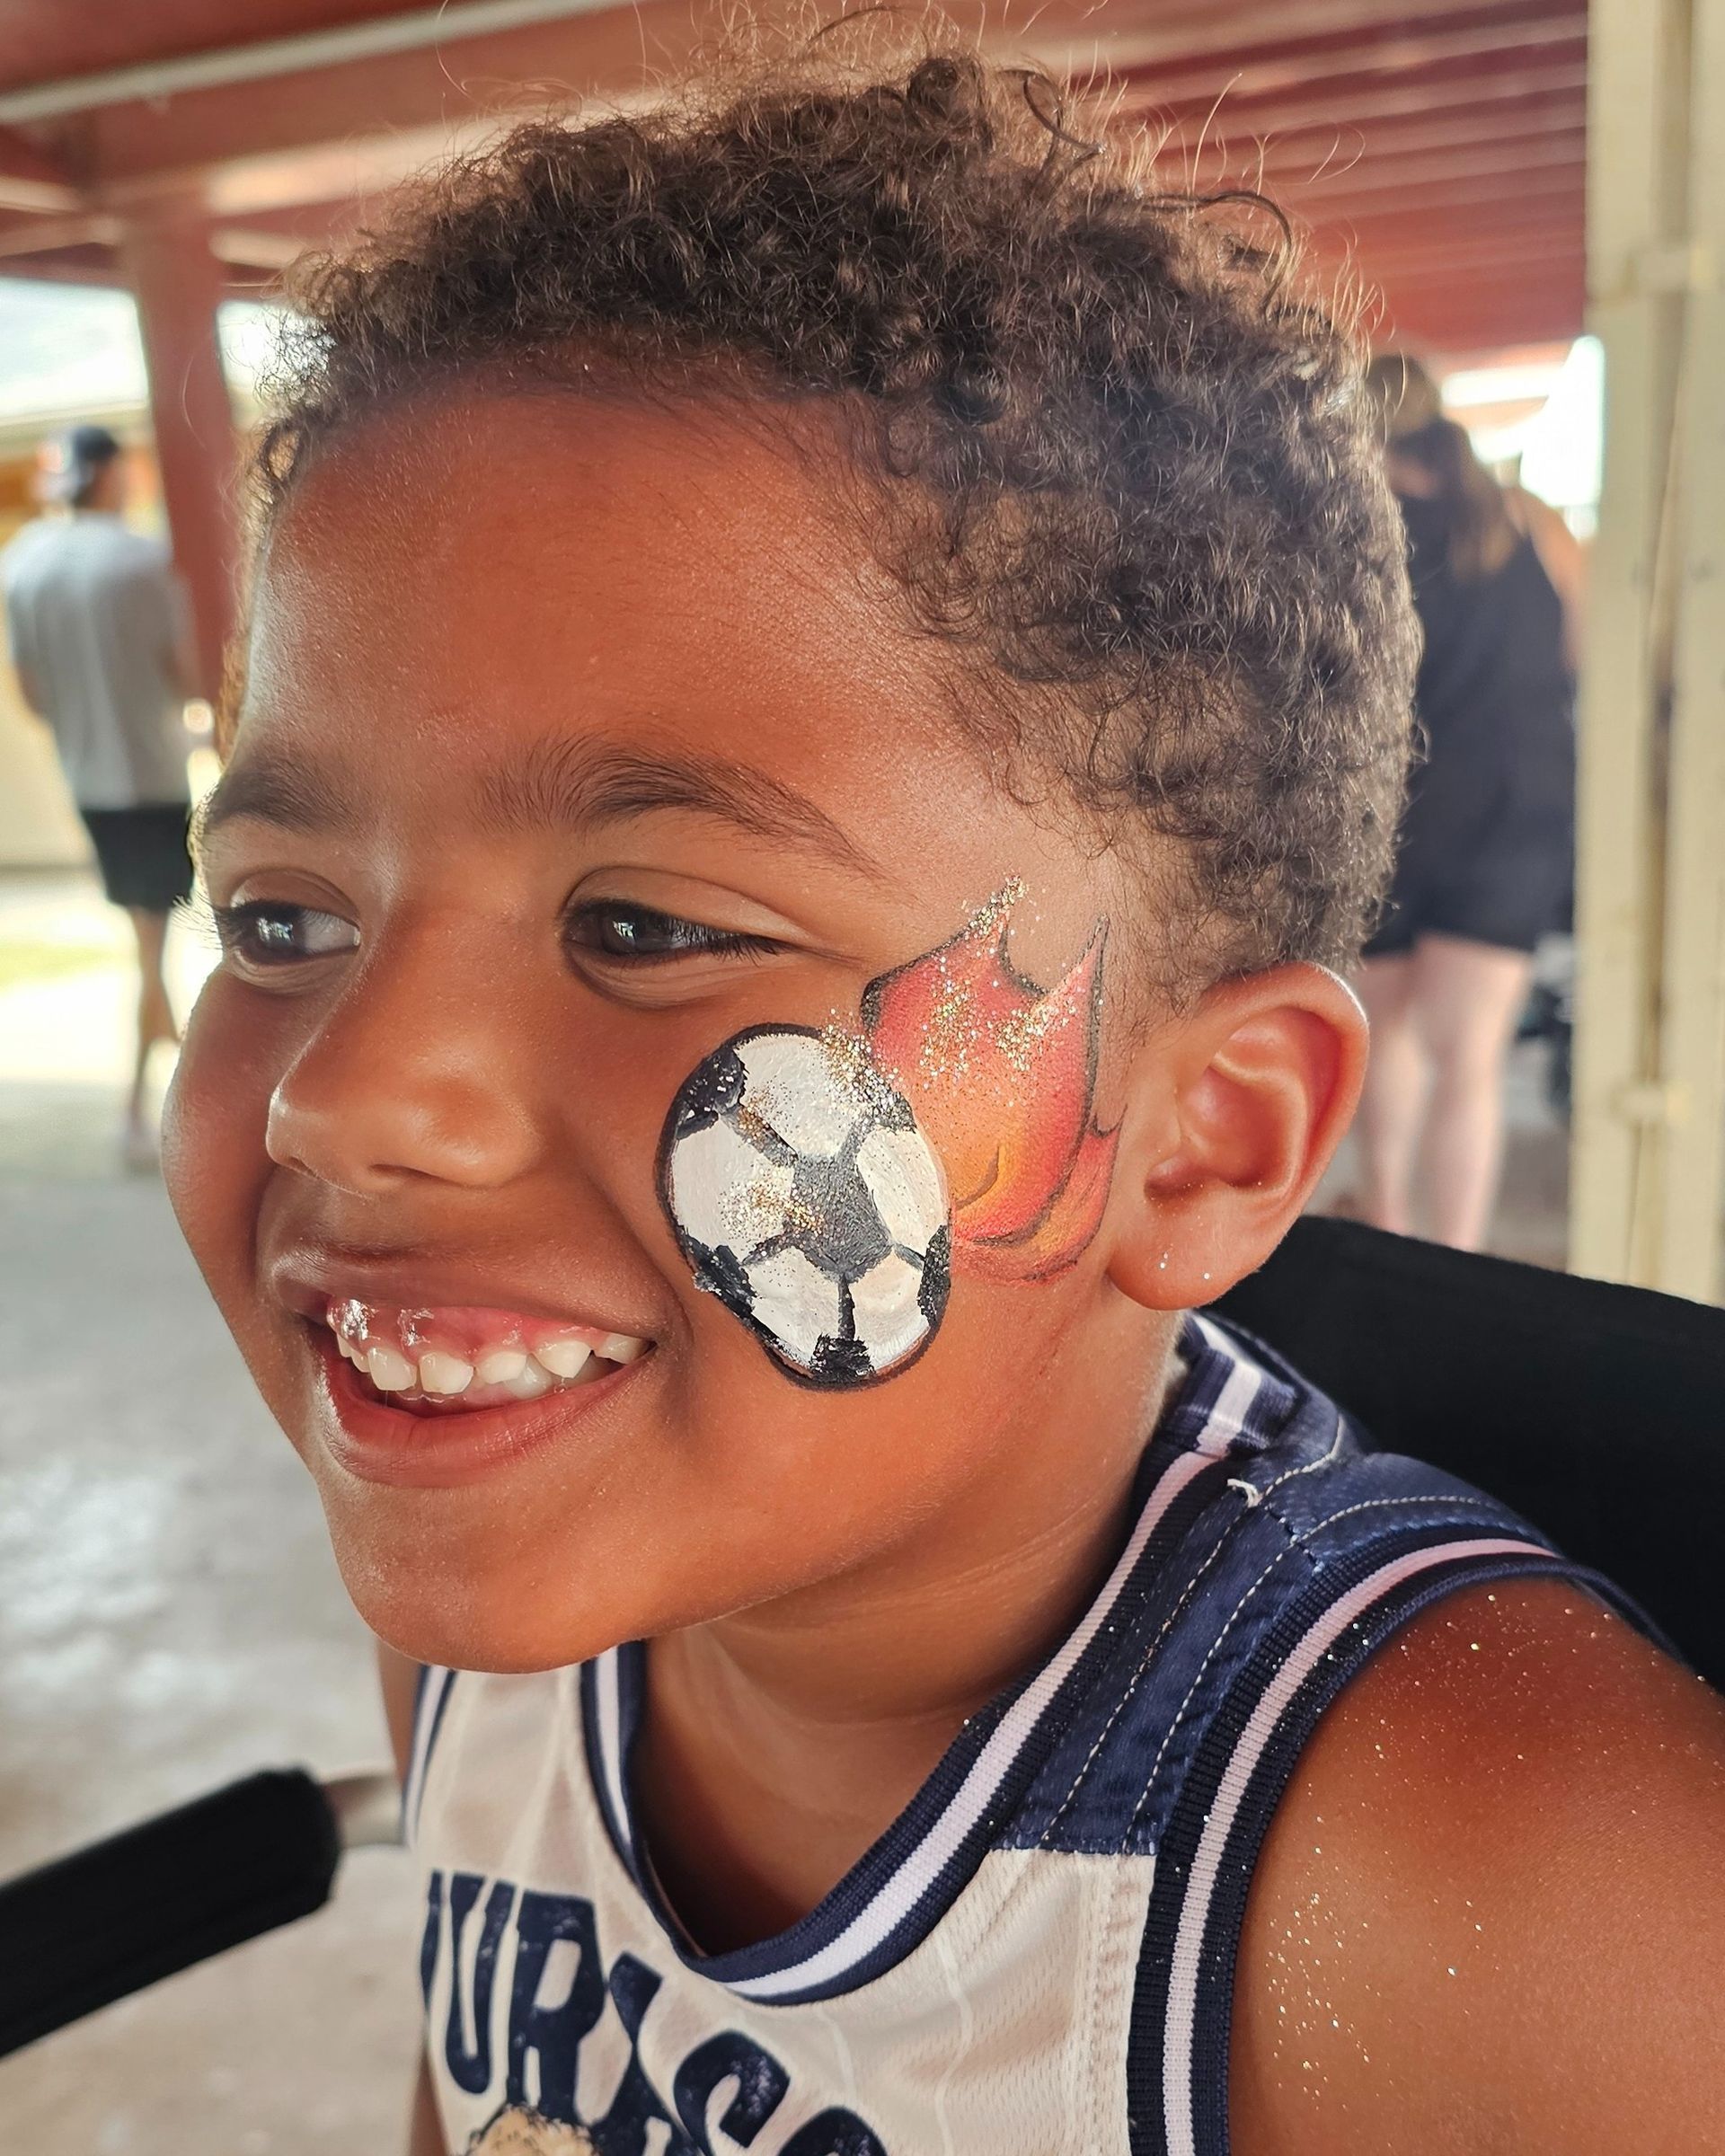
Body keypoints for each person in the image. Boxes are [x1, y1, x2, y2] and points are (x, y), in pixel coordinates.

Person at [160, 31, 1724, 2156]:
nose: (345, 1096)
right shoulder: (502, 1611)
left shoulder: (1509, 1902)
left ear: (1208, 1135)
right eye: (277, 917)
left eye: (643, 924)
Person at [1354, 356, 1580, 1250]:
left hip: (1408, 801)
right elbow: (1571, 655)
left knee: (1391, 1032)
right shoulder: (1531, 519)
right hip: (1521, 806)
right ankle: (1455, 1256)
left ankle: (1385, 1221)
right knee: (1471, 1060)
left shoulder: (1365, 526)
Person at [3, 421, 198, 1168]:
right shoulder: (144, 560)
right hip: (152, 775)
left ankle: (171, 1088)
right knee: (154, 946)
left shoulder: (24, 565)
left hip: (88, 783)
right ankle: (143, 1106)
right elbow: (188, 677)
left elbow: (31, 693)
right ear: (114, 474)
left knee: (148, 938)